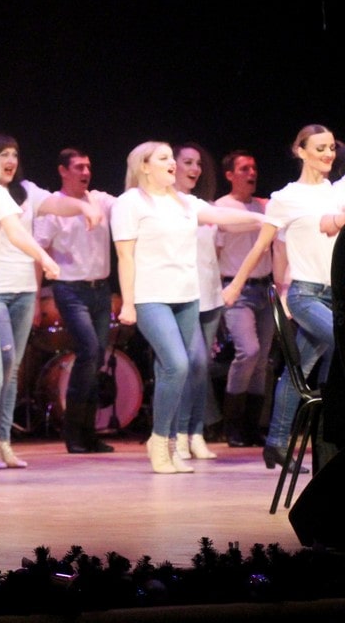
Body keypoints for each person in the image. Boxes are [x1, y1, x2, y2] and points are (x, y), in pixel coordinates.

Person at [112, 141, 273, 474]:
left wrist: (261, 219)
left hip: (187, 296)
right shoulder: (130, 203)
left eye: (172, 157)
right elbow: (125, 256)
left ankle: (172, 442)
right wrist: (127, 302)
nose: (172, 163)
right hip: (150, 297)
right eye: (163, 158)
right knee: (177, 364)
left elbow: (221, 216)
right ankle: (159, 441)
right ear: (144, 167)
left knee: (173, 370)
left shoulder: (184, 202)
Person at [223, 125, 342, 472]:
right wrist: (235, 285)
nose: (328, 154)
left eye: (331, 147)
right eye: (320, 148)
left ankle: (276, 443)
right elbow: (262, 246)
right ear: (300, 151)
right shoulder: (286, 197)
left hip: (336, 296)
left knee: (297, 372)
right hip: (306, 295)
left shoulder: (337, 191)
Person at [0, 133, 98, 469]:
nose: (9, 160)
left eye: (14, 154)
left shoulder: (27, 192)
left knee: (12, 370)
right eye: (2, 154)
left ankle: (1, 442)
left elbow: (57, 204)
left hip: (22, 290)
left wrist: (82, 205)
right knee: (0, 365)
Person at [34, 148, 120, 454]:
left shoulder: (100, 200)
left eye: (88, 167)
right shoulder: (53, 207)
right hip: (70, 290)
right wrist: (35, 299)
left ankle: (88, 432)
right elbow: (37, 254)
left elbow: (128, 204)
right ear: (63, 171)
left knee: (96, 358)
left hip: (100, 289)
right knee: (89, 351)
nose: (86, 172)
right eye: (79, 167)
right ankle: (73, 431)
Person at [172, 142, 229, 461]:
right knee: (191, 364)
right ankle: (179, 433)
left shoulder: (206, 207)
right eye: (188, 162)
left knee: (202, 367)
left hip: (211, 296)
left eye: (198, 164)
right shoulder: (169, 207)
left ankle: (195, 433)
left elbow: (214, 254)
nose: (194, 169)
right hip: (183, 296)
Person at [214, 149, 274, 447]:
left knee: (261, 360)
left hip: (265, 289)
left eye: (253, 168)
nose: (252, 173)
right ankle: (233, 425)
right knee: (248, 352)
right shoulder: (221, 208)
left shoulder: (264, 206)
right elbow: (214, 253)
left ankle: (252, 426)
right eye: (244, 169)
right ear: (229, 175)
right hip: (237, 290)